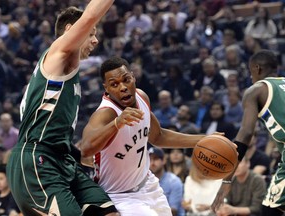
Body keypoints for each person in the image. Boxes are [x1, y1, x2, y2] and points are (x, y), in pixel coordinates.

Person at [6, 1, 120, 215]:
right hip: (35, 159)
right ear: (70, 30)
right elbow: (89, 17)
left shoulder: (67, 72)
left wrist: (78, 152)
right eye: (91, 33)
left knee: (108, 212)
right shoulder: (59, 54)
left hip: (61, 159)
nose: (96, 40)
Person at [80, 56, 209, 215]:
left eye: (126, 79)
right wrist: (117, 123)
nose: (122, 87)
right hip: (120, 196)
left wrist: (204, 141)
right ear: (106, 88)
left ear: (133, 77)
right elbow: (85, 149)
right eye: (114, 84)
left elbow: (158, 136)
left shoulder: (142, 97)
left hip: (148, 185)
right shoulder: (105, 113)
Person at [212, 50, 285, 216]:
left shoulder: (256, 90)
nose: (251, 77)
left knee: (270, 209)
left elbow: (245, 135)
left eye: (251, 71)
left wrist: (227, 180)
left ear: (257, 68)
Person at [149, 146, 185, 216]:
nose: (152, 163)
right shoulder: (145, 181)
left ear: (164, 160)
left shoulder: (173, 181)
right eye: (150, 159)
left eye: (156, 159)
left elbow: (173, 211)